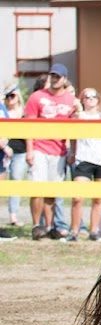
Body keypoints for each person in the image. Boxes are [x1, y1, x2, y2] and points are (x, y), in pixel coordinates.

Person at [24, 64, 77, 240]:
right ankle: (36, 225)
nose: (55, 79)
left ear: (64, 79)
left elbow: (75, 128)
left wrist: (72, 150)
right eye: (52, 75)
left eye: (58, 76)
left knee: (52, 189)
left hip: (59, 149)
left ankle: (49, 225)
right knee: (38, 187)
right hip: (39, 147)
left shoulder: (70, 99)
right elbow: (28, 125)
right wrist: (30, 150)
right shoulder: (37, 97)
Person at [70, 89, 101, 241]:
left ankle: (93, 231)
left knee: (98, 198)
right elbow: (75, 127)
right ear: (82, 100)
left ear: (98, 99)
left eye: (93, 96)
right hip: (84, 159)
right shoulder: (79, 115)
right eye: (86, 97)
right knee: (77, 197)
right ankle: (74, 231)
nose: (90, 99)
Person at [1, 84, 25, 234]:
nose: (9, 98)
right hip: (5, 152)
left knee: (13, 184)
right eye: (7, 95)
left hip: (12, 153)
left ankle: (13, 215)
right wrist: (4, 147)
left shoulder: (22, 111)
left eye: (12, 95)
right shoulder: (3, 108)